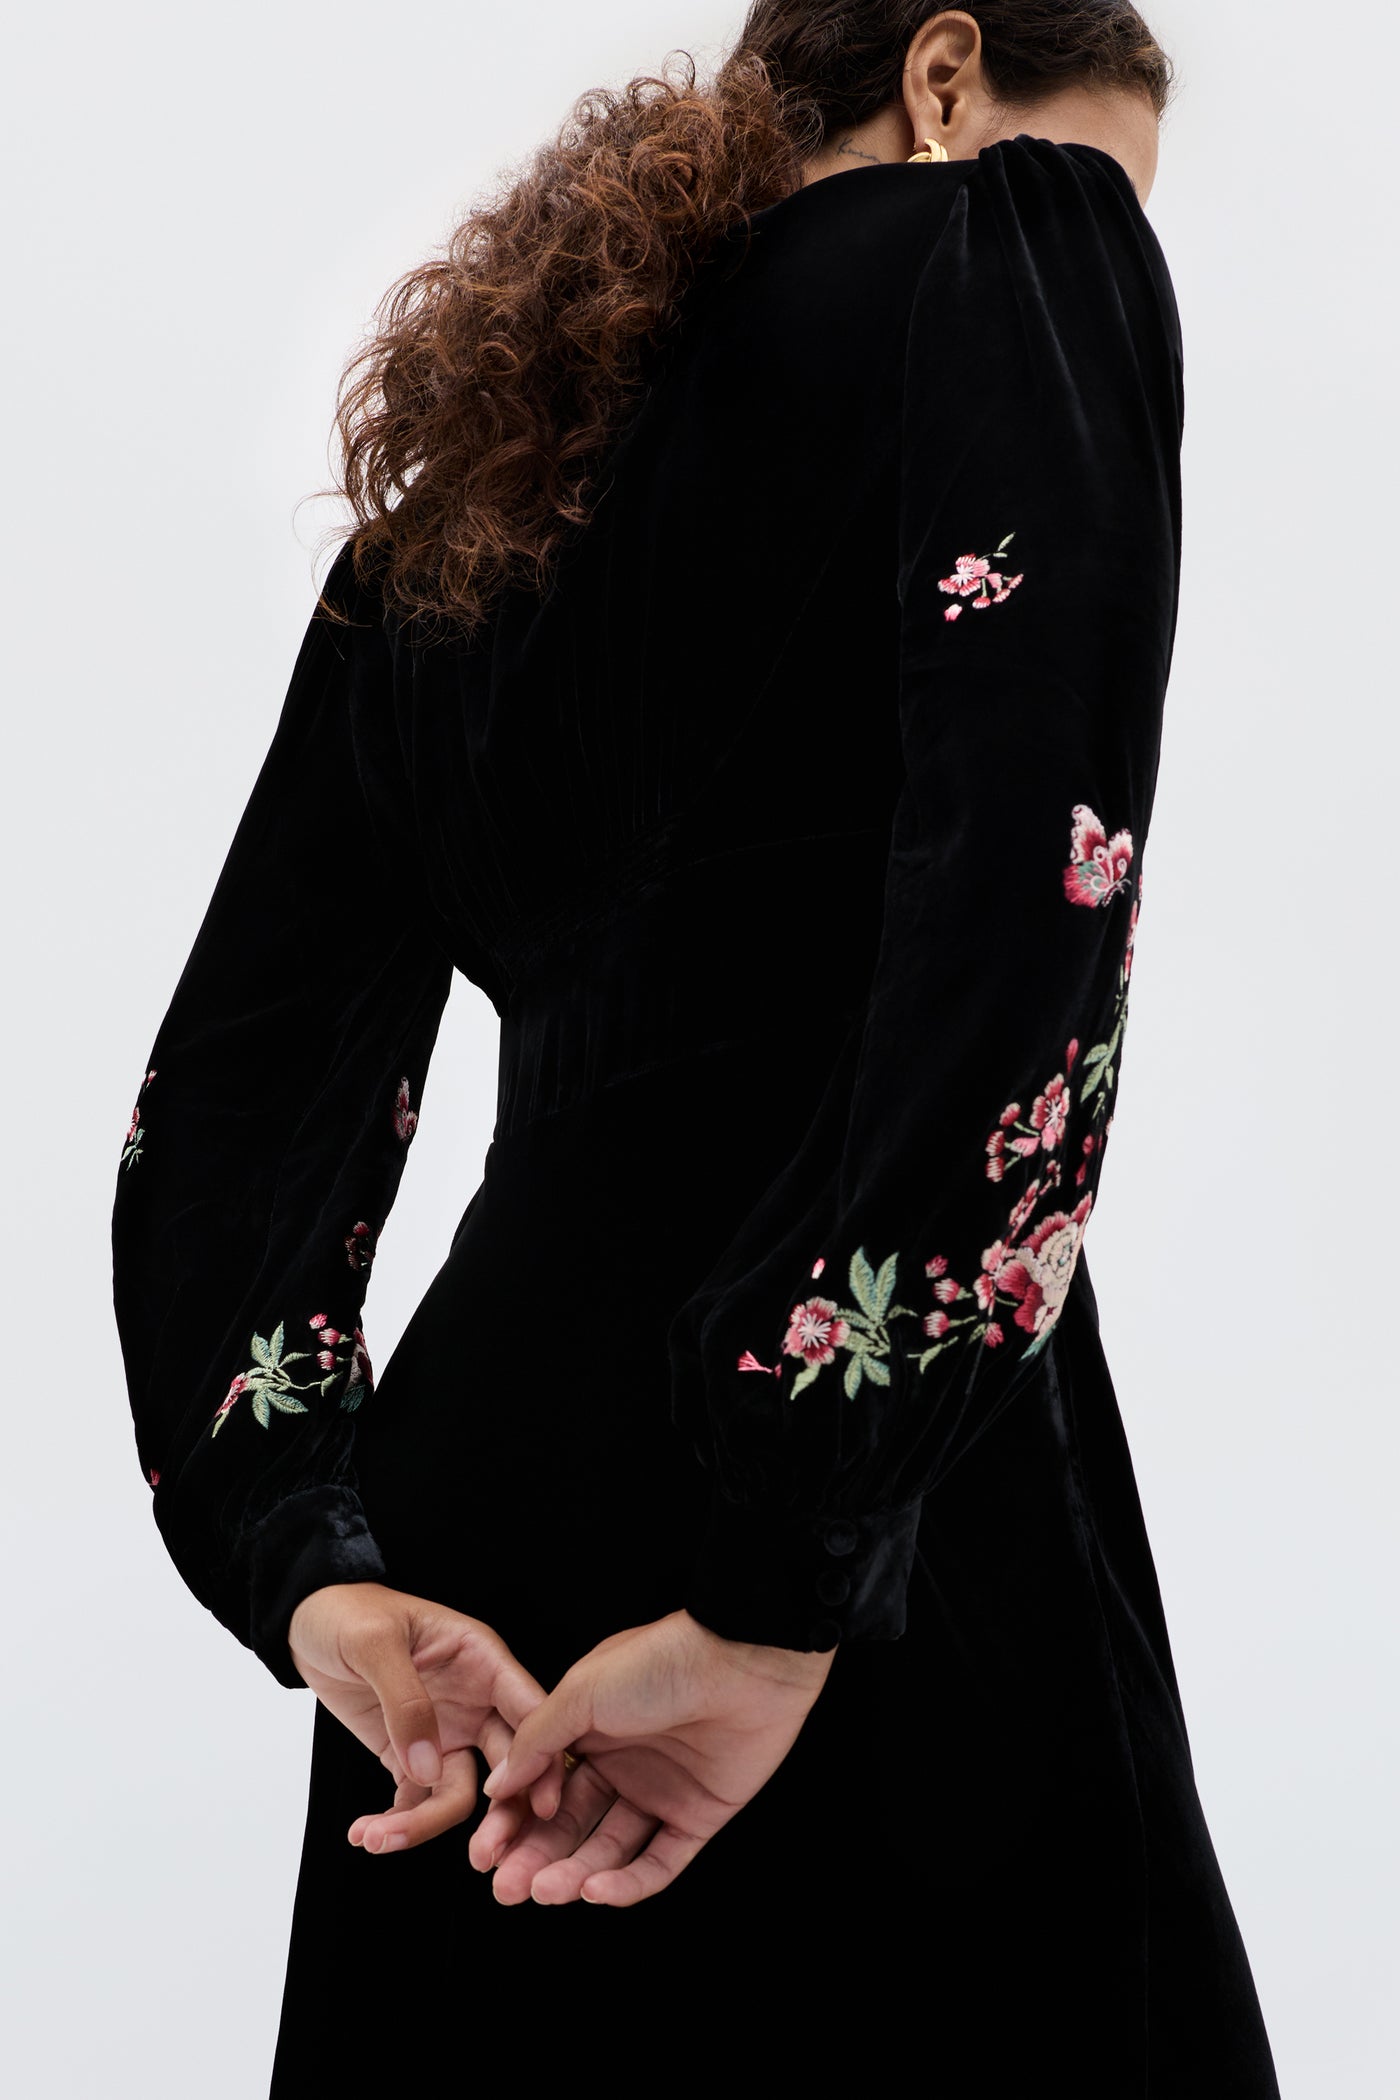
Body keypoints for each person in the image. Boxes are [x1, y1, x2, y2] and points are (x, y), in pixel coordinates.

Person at [110, 5, 1283, 2091]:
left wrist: (313, 1568)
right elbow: (1027, 880)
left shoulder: (467, 499)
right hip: (876, 1512)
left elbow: (231, 1101)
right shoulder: (1004, 252)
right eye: (1098, 162)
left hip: (477, 1595)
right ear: (946, 79)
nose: (1107, 222)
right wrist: (790, 1572)